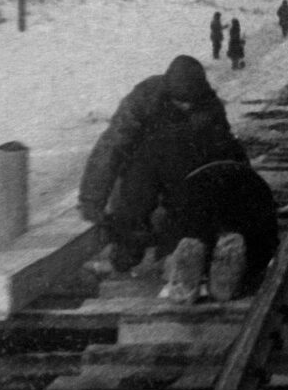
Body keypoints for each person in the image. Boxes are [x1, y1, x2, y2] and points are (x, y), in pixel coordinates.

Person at [78, 55, 241, 270]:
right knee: (135, 194)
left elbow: (226, 150)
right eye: (180, 102)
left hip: (184, 175)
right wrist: (91, 199)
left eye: (190, 103)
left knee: (193, 199)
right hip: (141, 173)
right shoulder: (143, 99)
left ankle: (174, 253)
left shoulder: (209, 105)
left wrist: (243, 195)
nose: (186, 106)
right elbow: (112, 146)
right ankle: (128, 246)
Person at [108, 120, 276, 302]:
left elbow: (133, 213)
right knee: (226, 235)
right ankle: (229, 265)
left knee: (182, 239)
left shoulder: (144, 155)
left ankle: (186, 272)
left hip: (193, 217)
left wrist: (127, 257)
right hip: (248, 217)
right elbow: (251, 184)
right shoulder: (222, 137)